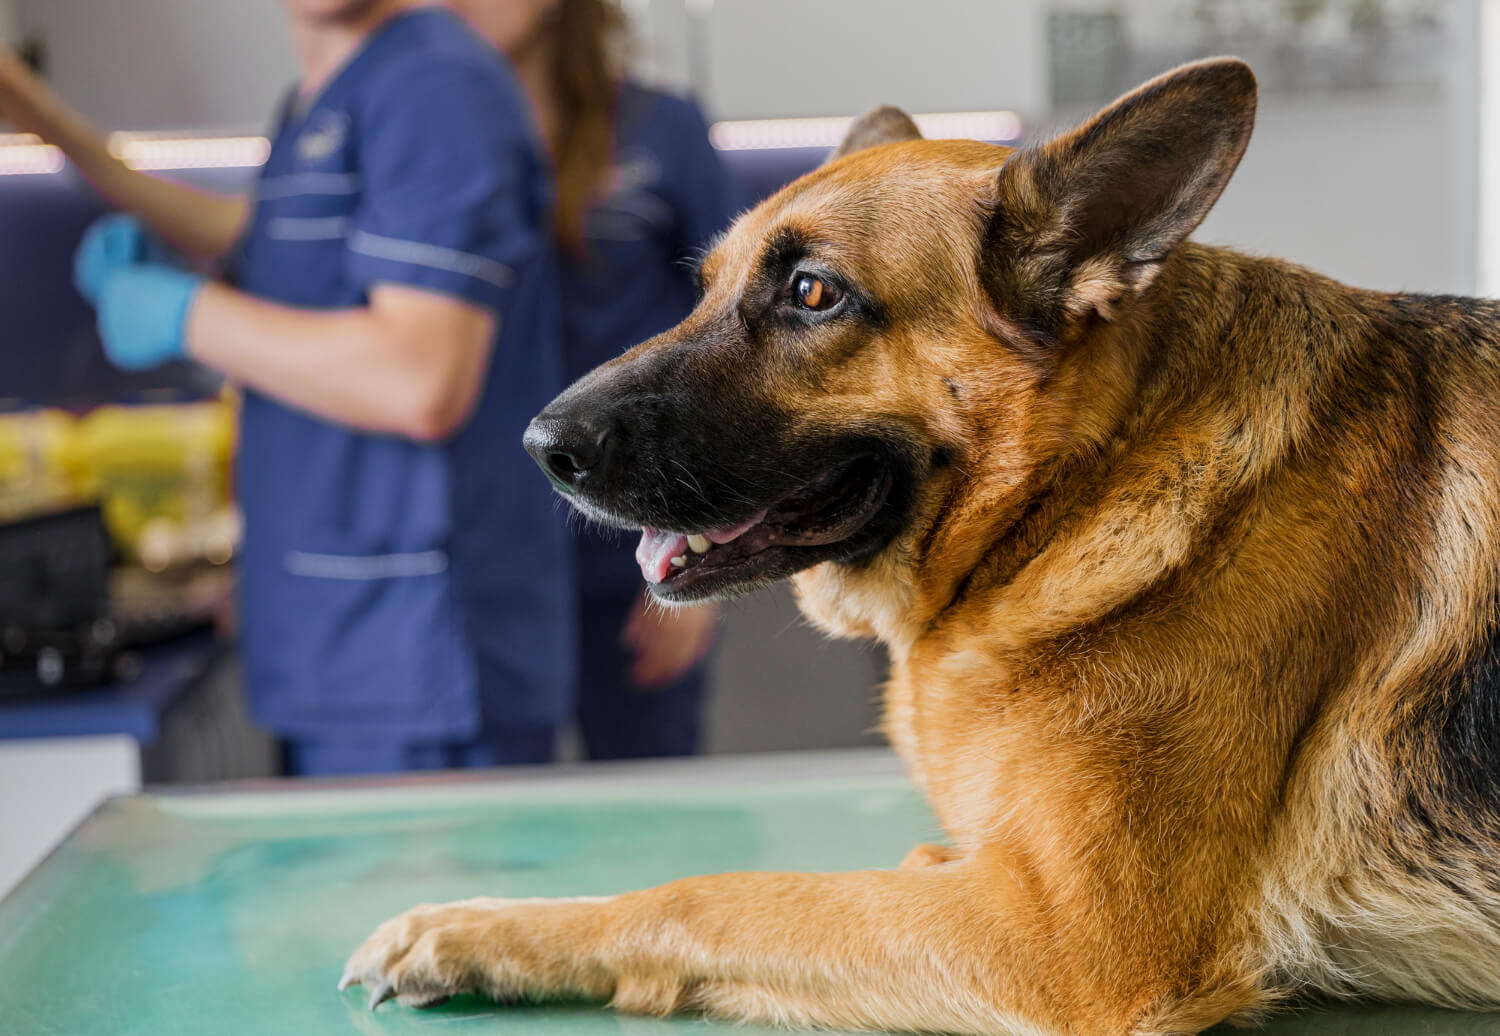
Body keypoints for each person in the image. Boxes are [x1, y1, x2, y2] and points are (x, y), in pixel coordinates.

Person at [0, 1, 577, 774]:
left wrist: (185, 313)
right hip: (342, 645)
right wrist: (50, 126)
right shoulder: (322, 95)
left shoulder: (436, 87)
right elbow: (260, 235)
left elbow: (422, 378)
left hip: (413, 654)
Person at [449, 0, 741, 759]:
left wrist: (699, 554)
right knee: (503, 836)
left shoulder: (661, 128)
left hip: (638, 536)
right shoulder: (429, 141)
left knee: (650, 812)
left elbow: (739, 338)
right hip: (483, 556)